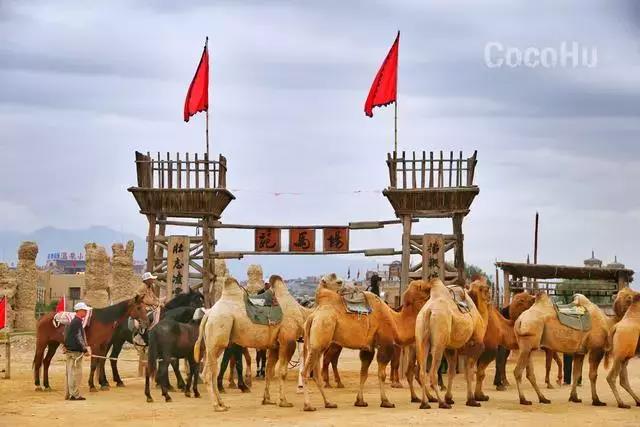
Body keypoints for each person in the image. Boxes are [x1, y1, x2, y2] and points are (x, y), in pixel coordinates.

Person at [64, 302, 92, 401]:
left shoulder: (74, 321)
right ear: (79, 311)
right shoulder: (77, 322)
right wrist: (84, 349)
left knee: (71, 373)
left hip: (71, 350)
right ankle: (74, 395)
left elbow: (68, 335)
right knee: (75, 374)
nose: (86, 312)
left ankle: (71, 393)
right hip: (75, 352)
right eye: (84, 310)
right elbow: (79, 337)